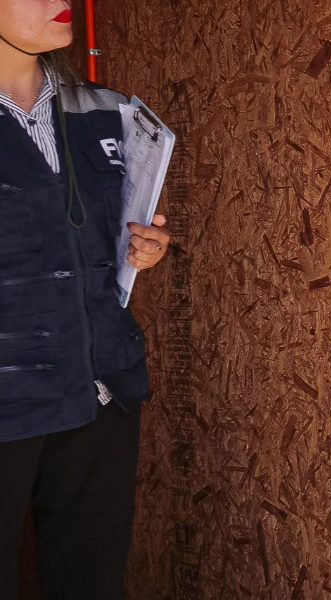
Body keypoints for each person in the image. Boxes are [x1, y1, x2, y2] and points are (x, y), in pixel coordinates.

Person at [0, 0, 173, 597]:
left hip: (100, 389)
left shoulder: (105, 110)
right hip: (10, 396)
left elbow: (114, 231)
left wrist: (144, 244)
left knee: (90, 582)